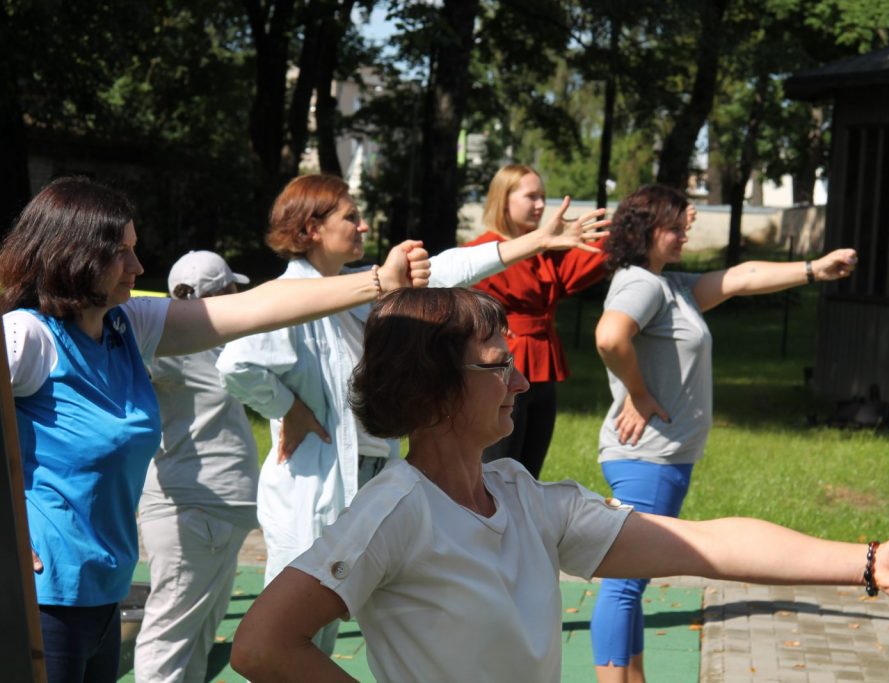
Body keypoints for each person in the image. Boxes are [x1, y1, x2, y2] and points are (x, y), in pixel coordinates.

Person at [229, 287, 889, 683]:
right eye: (498, 364)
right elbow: (262, 645)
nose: (521, 381)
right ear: (432, 387)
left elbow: (702, 544)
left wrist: (869, 562)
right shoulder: (394, 509)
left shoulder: (521, 495)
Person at [0, 176, 429, 683]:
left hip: (103, 590)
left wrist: (380, 281)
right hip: (44, 599)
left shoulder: (127, 325)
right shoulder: (28, 336)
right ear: (75, 256)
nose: (137, 267)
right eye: (121, 253)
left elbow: (256, 308)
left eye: (135, 249)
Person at [215, 173, 608, 655]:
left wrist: (535, 242)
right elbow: (235, 363)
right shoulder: (290, 295)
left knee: (348, 629)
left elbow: (446, 270)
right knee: (295, 635)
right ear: (311, 228)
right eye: (351, 217)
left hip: (368, 481)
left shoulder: (357, 289)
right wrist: (287, 408)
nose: (363, 226)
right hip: (312, 488)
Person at [590, 184, 858, 682]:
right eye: (673, 228)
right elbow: (609, 337)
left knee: (634, 579)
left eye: (683, 226)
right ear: (645, 230)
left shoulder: (669, 285)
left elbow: (741, 277)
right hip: (648, 458)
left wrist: (814, 270)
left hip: (660, 458)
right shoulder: (642, 285)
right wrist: (638, 393)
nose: (683, 235)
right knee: (625, 582)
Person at [132, 251, 258, 683]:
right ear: (220, 293)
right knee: (167, 641)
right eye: (232, 288)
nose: (238, 295)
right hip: (191, 509)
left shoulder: (216, 346)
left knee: (197, 640)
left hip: (217, 513)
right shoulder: (167, 348)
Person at [466, 163, 610, 478]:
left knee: (528, 476)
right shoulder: (479, 254)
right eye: (531, 196)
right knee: (496, 472)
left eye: (543, 196)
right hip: (502, 369)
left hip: (542, 367)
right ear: (504, 199)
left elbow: (592, 259)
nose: (541, 204)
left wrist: (631, 224)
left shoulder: (546, 253)